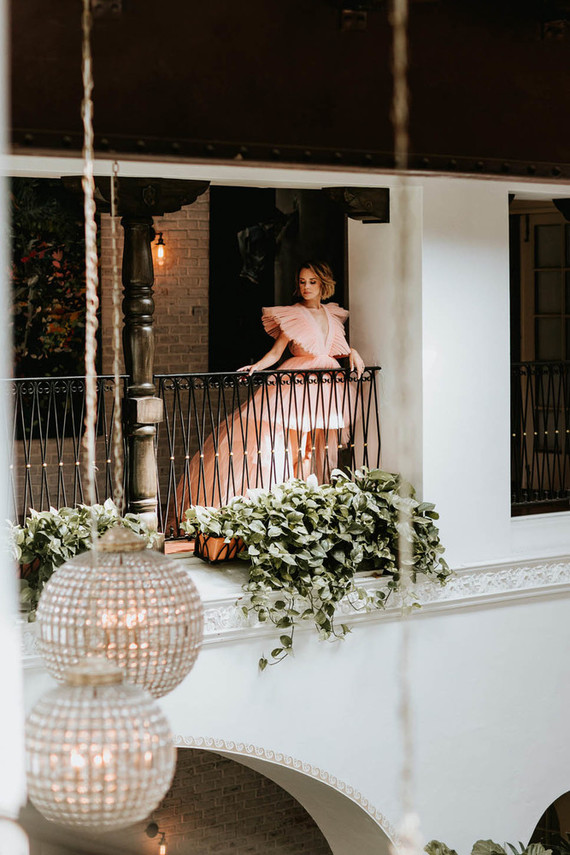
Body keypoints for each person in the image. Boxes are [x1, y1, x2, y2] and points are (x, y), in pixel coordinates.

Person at [175, 261, 365, 518]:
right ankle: (281, 500)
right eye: (302, 282)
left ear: (323, 284)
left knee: (313, 447)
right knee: (292, 446)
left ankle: (307, 500)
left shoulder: (332, 314)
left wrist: (352, 352)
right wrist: (256, 366)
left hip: (327, 386)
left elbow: (335, 347)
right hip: (296, 385)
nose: (306, 287)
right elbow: (276, 353)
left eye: (312, 282)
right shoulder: (294, 313)